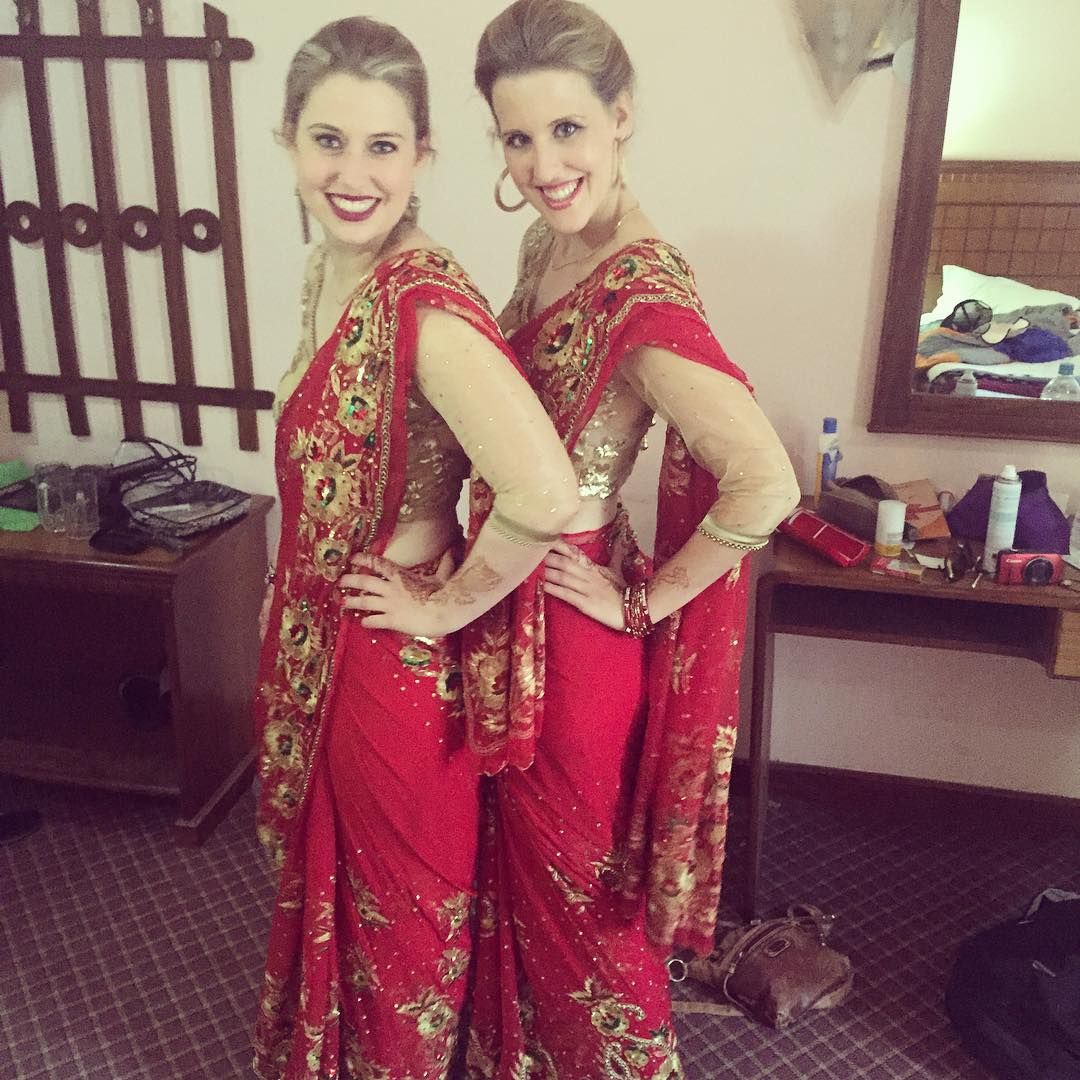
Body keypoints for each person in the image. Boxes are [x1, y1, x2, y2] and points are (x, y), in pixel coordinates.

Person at [461, 1, 802, 1075]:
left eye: (567, 129)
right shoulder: (548, 242)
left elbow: (766, 483)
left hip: (573, 635)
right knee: (522, 874)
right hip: (508, 598)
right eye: (519, 137)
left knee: (582, 897)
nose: (543, 166)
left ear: (621, 116)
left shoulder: (641, 295)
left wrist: (642, 600)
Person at [250, 17, 579, 1080]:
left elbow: (543, 490)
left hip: (389, 663)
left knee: (400, 919)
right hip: (323, 636)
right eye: (328, 141)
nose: (352, 175)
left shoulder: (425, 309)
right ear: (288, 141)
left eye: (382, 147)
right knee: (349, 903)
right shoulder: (329, 269)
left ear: (423, 156)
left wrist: (442, 607)